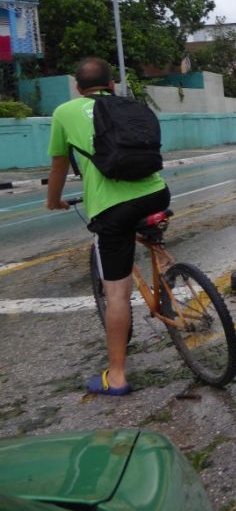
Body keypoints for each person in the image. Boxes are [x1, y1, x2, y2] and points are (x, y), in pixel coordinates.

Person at [45, 56, 170, 396]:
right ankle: (169, 279)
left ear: (77, 87)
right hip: (157, 193)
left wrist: (52, 200)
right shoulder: (128, 106)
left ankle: (115, 376)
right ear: (112, 84)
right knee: (143, 222)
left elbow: (58, 165)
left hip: (112, 210)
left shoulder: (65, 112)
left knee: (116, 293)